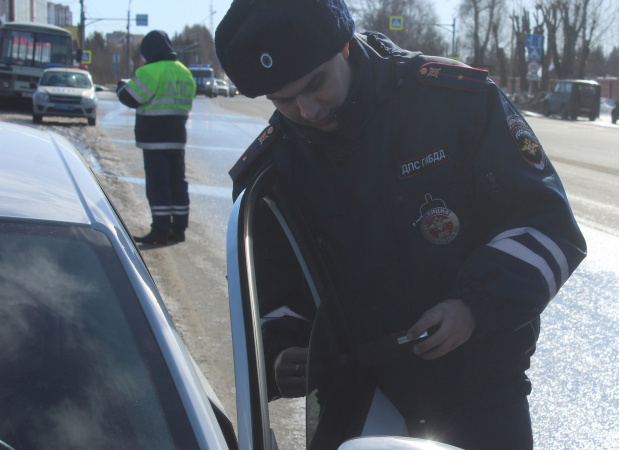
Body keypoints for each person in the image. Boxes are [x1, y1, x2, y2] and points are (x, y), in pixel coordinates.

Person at [215, 0, 587, 448]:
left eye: (316, 84)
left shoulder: (453, 103)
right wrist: (281, 352)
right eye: (284, 100)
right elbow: (275, 284)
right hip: (354, 398)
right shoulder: (274, 167)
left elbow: (545, 225)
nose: (308, 110)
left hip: (478, 389)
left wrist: (472, 306)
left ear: (345, 48)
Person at [117, 30, 195, 245]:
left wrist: (121, 87)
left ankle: (160, 231)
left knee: (158, 185)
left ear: (149, 51)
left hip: (154, 139)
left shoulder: (149, 72)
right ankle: (178, 229)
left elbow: (130, 97)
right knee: (178, 182)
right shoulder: (184, 72)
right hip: (177, 138)